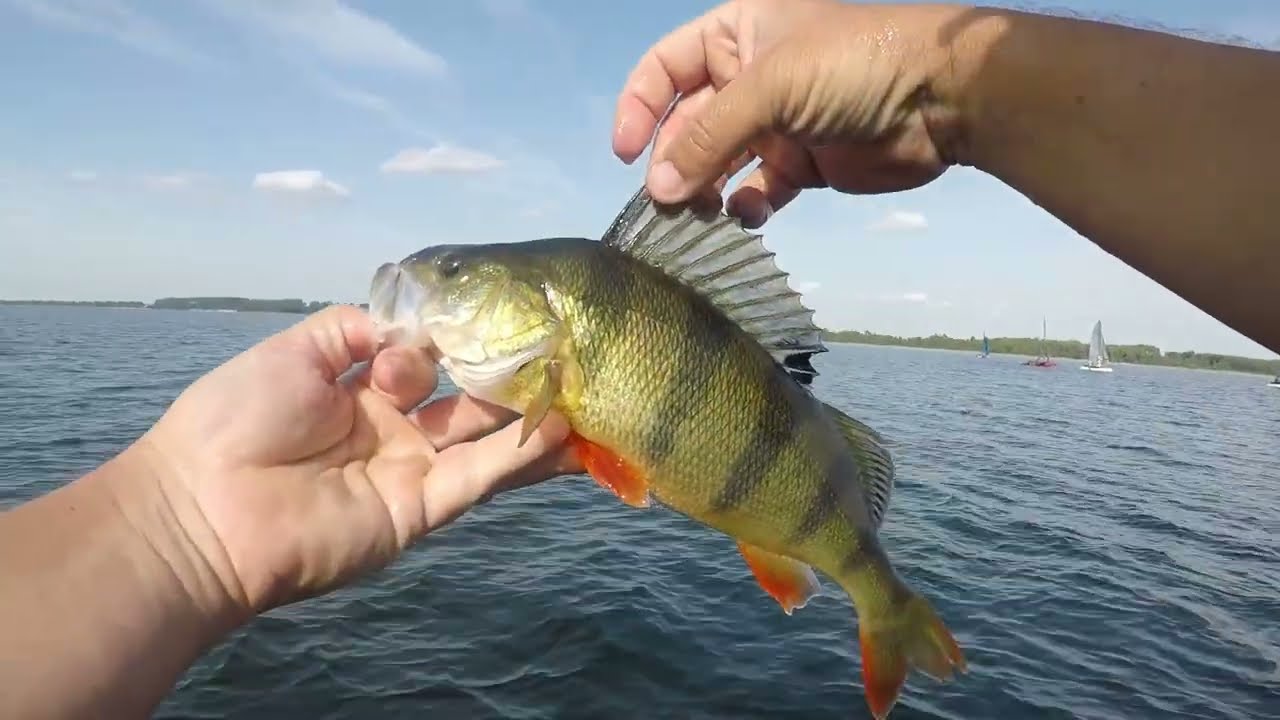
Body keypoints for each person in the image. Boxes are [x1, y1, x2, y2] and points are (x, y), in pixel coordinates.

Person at [2, 1, 1277, 717]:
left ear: (534, 309)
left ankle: (875, 595)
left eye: (455, 282)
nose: (429, 293)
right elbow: (609, 448)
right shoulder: (556, 347)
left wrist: (178, 530)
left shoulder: (576, 320)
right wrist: (177, 527)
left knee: (790, 516)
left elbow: (618, 446)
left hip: (778, 471)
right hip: (728, 436)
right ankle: (876, 595)